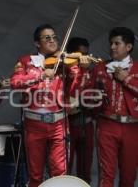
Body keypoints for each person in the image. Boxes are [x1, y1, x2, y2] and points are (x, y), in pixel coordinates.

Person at [10, 24, 90, 186]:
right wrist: (40, 75)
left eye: (54, 37)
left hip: (58, 124)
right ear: (37, 43)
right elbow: (15, 83)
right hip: (33, 124)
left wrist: (82, 70)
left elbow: (75, 90)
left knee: (59, 173)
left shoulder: (64, 63)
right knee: (35, 174)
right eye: (47, 38)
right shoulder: (25, 61)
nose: (53, 41)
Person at [91, 27, 138, 187]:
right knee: (106, 174)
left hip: (133, 127)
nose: (112, 47)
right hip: (107, 124)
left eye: (117, 43)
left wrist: (127, 79)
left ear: (129, 47)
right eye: (111, 43)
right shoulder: (99, 68)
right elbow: (89, 95)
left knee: (129, 175)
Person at [66, 37, 94, 184]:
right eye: (80, 55)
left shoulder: (90, 71)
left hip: (86, 123)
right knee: (65, 166)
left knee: (85, 168)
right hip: (68, 123)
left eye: (86, 54)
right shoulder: (64, 70)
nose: (84, 58)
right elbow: (72, 94)